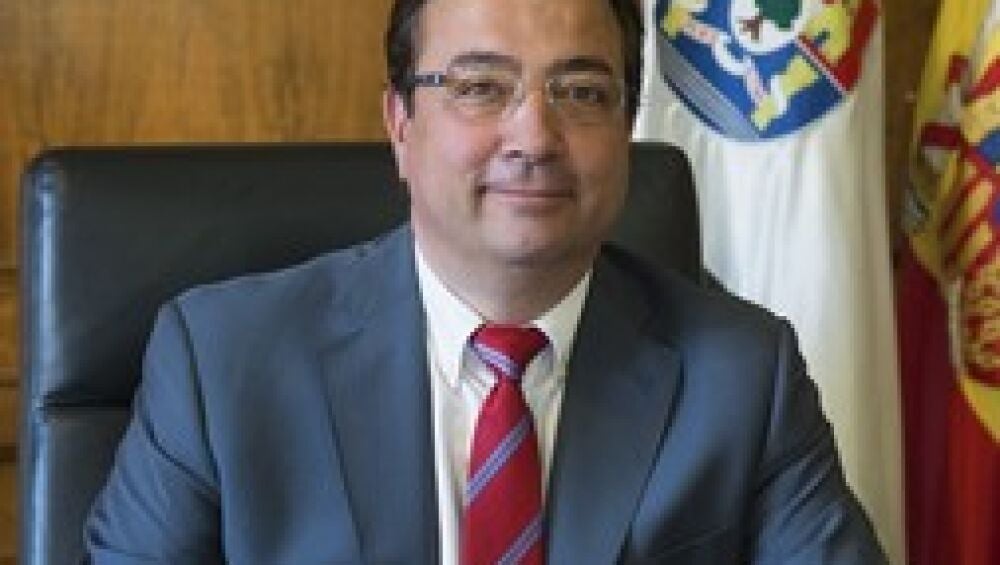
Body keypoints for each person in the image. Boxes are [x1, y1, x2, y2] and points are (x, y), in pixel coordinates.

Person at [84, 0, 887, 563]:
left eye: (581, 92)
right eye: (479, 88)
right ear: (401, 125)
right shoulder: (221, 363)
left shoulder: (742, 376)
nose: (533, 136)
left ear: (625, 128)